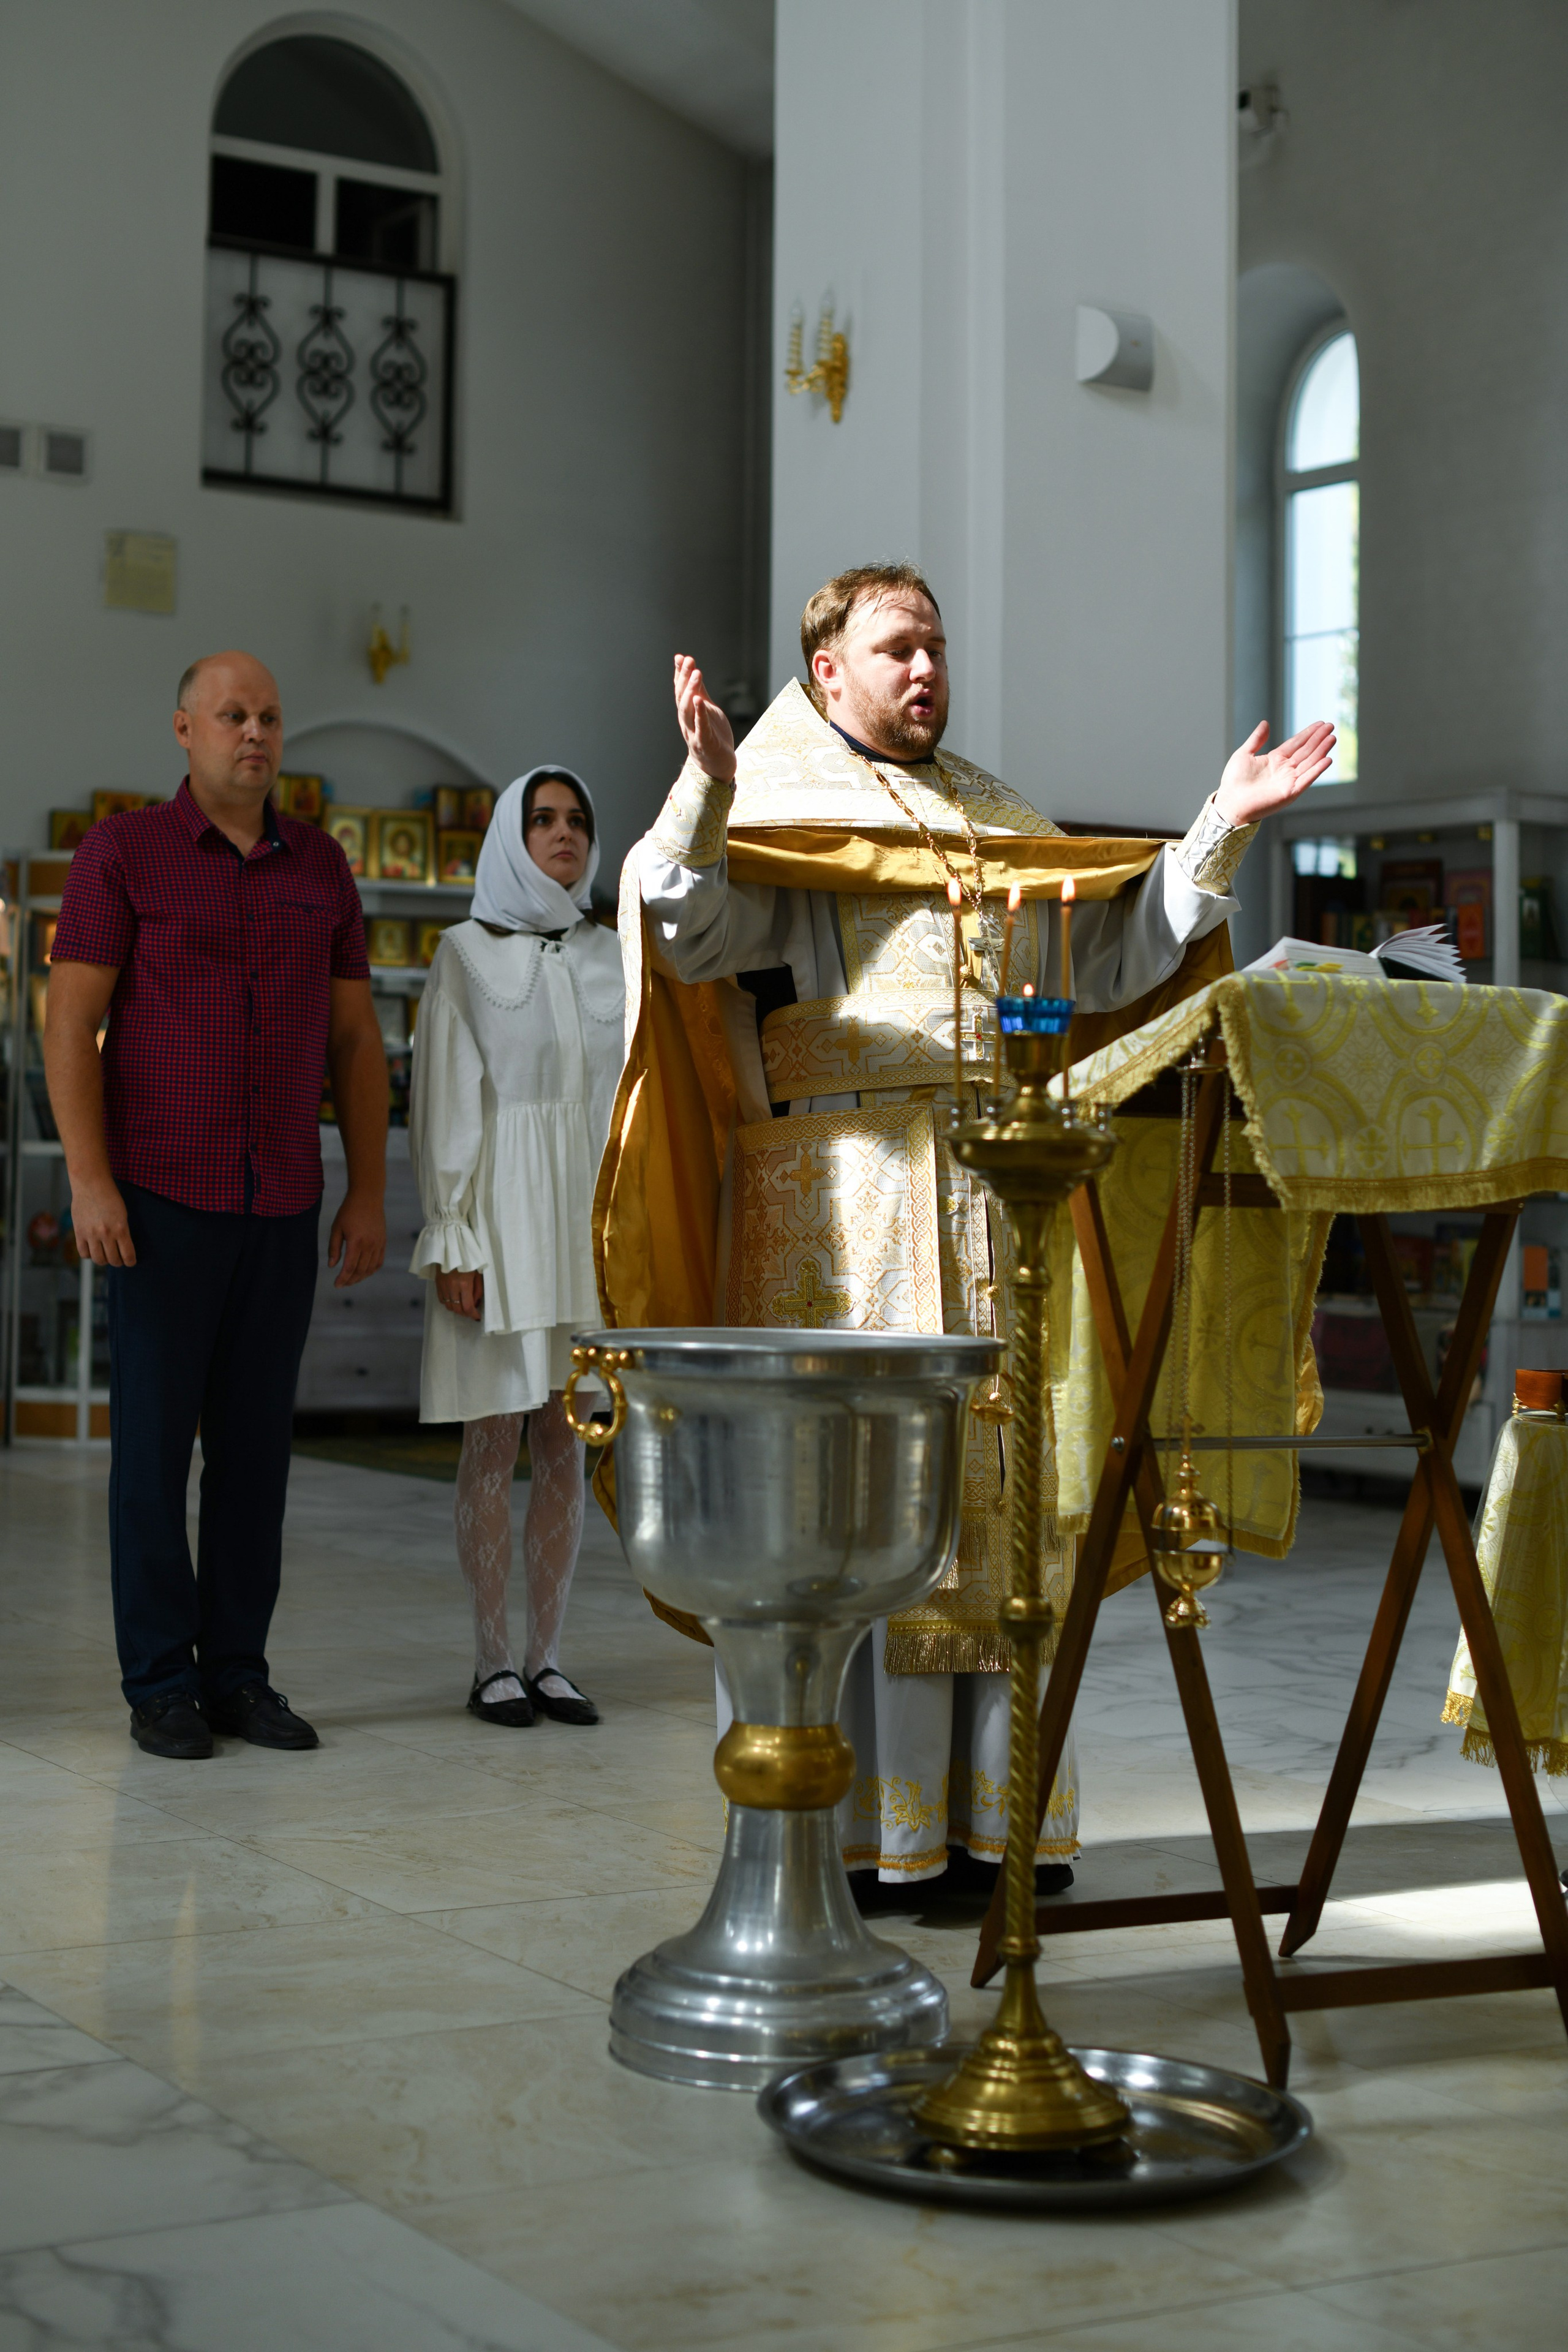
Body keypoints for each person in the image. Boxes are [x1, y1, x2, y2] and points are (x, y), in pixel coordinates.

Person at [601, 563, 1333, 1899]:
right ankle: (870, 1837)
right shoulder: (778, 804)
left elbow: (1110, 965)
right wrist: (704, 789)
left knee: (1003, 1516)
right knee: (866, 1517)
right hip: (845, 1202)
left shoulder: (994, 813)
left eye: (935, 645)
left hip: (1001, 1197)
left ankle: (994, 1831)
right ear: (827, 669)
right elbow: (687, 929)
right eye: (896, 648)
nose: (925, 668)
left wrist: (1218, 825)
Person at [45, 652, 388, 1761]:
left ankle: (238, 1674)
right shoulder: (126, 855)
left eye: (271, 717)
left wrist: (369, 1190)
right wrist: (89, 1180)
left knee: (256, 1453)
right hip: (158, 1199)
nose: (256, 732)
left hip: (282, 1199)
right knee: (151, 1451)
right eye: (233, 715)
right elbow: (70, 1024)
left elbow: (353, 1042)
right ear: (184, 730)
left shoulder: (322, 869)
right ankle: (160, 1684)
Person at [409, 768, 624, 1727]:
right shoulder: (463, 954)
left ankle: (549, 1658)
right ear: (511, 835)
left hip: (585, 1224)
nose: (565, 834)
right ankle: (492, 1660)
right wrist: (453, 1233)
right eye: (544, 820)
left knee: (566, 1441)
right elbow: (445, 1099)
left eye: (578, 821)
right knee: (493, 1437)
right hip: (498, 1222)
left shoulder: (618, 956)